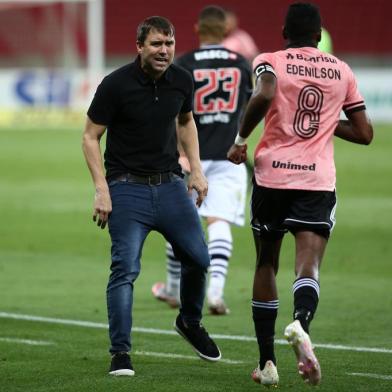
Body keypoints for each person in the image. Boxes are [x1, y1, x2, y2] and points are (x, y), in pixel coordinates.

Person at [227, 2, 373, 387]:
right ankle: (301, 323)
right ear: (319, 32)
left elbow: (264, 94)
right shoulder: (340, 70)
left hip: (272, 177)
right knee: (308, 267)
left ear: (283, 32)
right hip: (316, 182)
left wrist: (241, 139)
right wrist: (326, 122)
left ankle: (267, 364)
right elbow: (364, 133)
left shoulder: (270, 59)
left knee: (265, 263)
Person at [82, 15, 221, 377]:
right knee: (125, 270)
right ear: (140, 46)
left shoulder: (181, 80)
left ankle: (189, 322)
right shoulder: (115, 85)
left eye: (170, 43)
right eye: (157, 44)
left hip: (171, 185)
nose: (165, 50)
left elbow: (186, 120)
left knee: (200, 259)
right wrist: (102, 189)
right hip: (126, 189)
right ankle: (120, 353)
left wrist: (197, 169)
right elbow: (90, 136)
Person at [151, 5, 253, 315]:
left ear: (196, 29)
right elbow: (251, 106)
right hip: (228, 155)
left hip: (187, 157)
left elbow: (171, 112)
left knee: (179, 224)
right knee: (219, 221)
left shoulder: (183, 63)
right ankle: (216, 294)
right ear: (226, 31)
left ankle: (172, 287)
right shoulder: (241, 64)